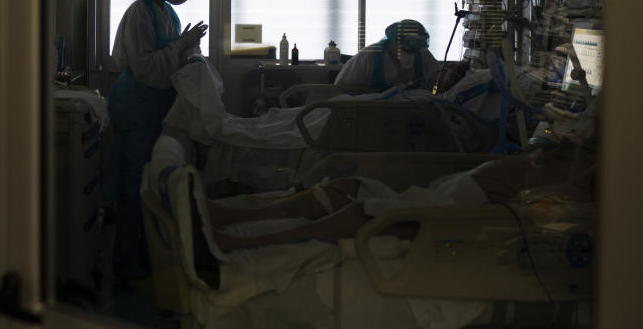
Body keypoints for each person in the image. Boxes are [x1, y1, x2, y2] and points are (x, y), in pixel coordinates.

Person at [205, 145, 594, 253]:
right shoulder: (567, 150)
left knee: (364, 210)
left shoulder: (585, 181)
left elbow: (543, 214)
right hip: (442, 191)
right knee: (347, 187)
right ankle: (223, 214)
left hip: (460, 212)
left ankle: (244, 242)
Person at [104, 0, 208, 281]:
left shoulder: (168, 14)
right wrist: (181, 46)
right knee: (132, 188)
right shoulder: (139, 14)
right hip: (135, 107)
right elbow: (146, 67)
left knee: (149, 183)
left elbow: (172, 56)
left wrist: (188, 50)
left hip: (154, 107)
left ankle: (144, 253)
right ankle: (124, 264)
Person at [334, 19, 443, 91]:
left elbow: (439, 79)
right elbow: (341, 89)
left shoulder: (422, 54)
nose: (411, 54)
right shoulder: (368, 56)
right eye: (407, 49)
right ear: (394, 41)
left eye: (414, 51)